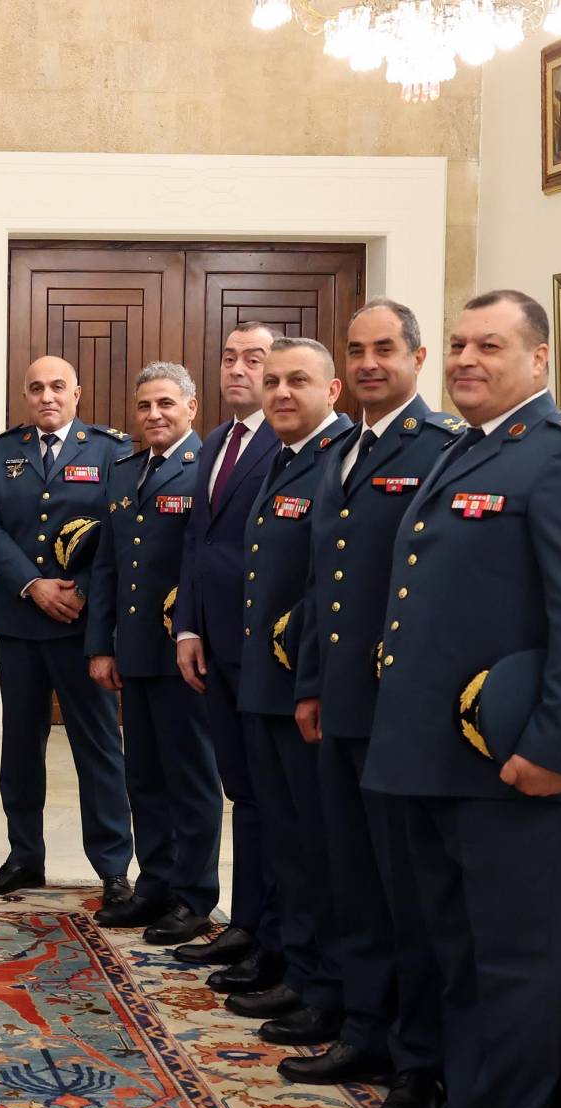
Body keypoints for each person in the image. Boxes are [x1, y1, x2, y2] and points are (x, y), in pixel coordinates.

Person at [358, 290, 561, 1108]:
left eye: (490, 346)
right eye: (460, 344)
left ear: (540, 360)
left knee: (515, 962)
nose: (467, 359)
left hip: (515, 764)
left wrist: (555, 751)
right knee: (456, 954)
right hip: (438, 757)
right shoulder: (466, 452)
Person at [285, 300, 458, 1108]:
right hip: (341, 702)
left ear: (417, 357)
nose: (366, 362)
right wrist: (311, 683)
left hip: (403, 708)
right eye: (354, 350)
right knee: (347, 874)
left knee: (407, 892)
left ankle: (417, 1060)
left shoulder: (441, 449)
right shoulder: (342, 448)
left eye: (383, 348)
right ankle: (361, 1027)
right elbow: (326, 585)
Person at [216, 338, 354, 1045]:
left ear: (332, 391)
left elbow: (330, 590)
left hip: (306, 689)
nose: (278, 392)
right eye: (271, 381)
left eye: (296, 380)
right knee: (282, 838)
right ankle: (293, 969)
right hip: (264, 682)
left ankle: (321, 986)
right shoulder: (287, 458)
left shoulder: (341, 460)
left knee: (313, 845)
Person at [0, 355, 133, 905]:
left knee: (98, 745)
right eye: (36, 387)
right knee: (20, 743)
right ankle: (23, 856)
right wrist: (32, 584)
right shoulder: (0, 452)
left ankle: (113, 866)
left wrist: (82, 588)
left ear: (77, 393)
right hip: (21, 621)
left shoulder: (112, 450)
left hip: (82, 625)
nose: (47, 396)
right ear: (25, 394)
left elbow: (119, 529)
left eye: (58, 387)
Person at [83, 363, 222, 945]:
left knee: (190, 776)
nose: (154, 415)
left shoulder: (209, 469)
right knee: (144, 775)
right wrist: (101, 645)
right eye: (144, 406)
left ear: (191, 407)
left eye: (166, 403)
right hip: (136, 650)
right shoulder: (124, 470)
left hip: (184, 652)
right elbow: (110, 565)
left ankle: (193, 895)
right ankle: (155, 882)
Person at [171, 323, 282, 989]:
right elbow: (196, 544)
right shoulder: (214, 442)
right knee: (240, 789)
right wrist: (186, 626)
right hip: (212, 643)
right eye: (229, 357)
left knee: (272, 795)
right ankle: (243, 921)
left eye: (255, 359)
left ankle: (272, 934)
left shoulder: (290, 443)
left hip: (263, 649)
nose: (238, 369)